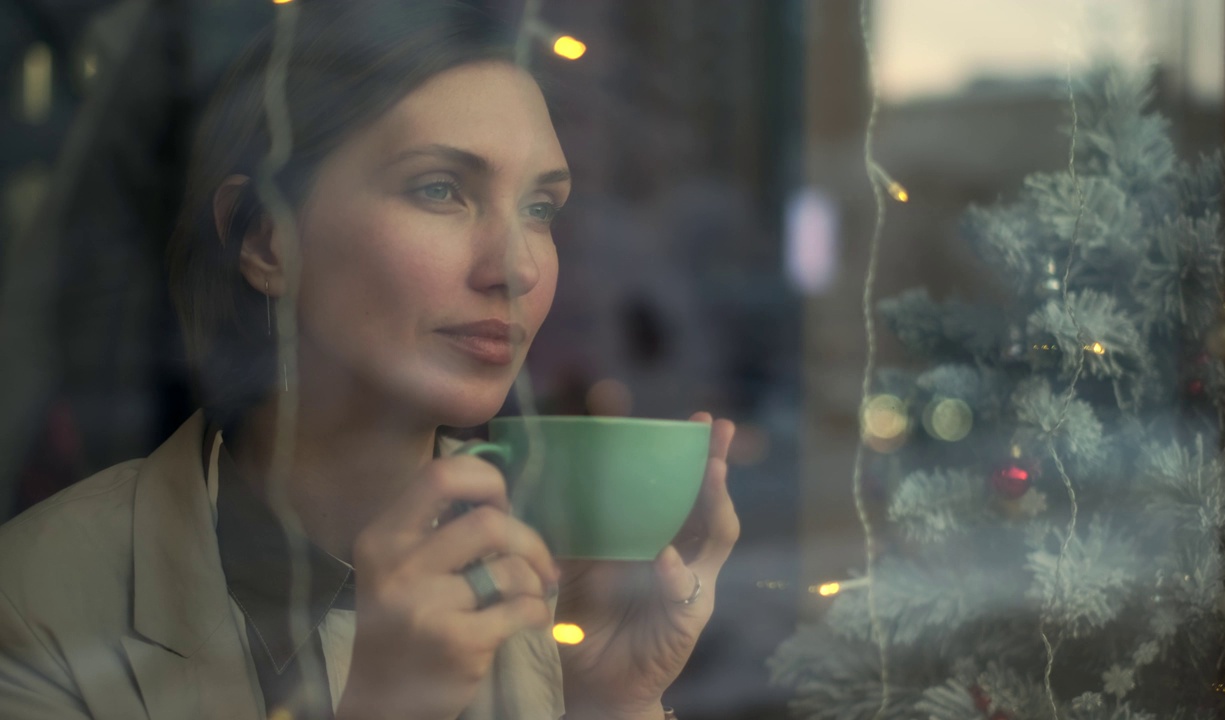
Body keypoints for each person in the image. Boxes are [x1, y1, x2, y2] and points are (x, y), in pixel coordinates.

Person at [0, 2, 738, 719]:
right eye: (440, 189)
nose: (515, 268)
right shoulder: (37, 602)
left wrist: (611, 705)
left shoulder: (561, 582)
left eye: (540, 208)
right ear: (263, 238)